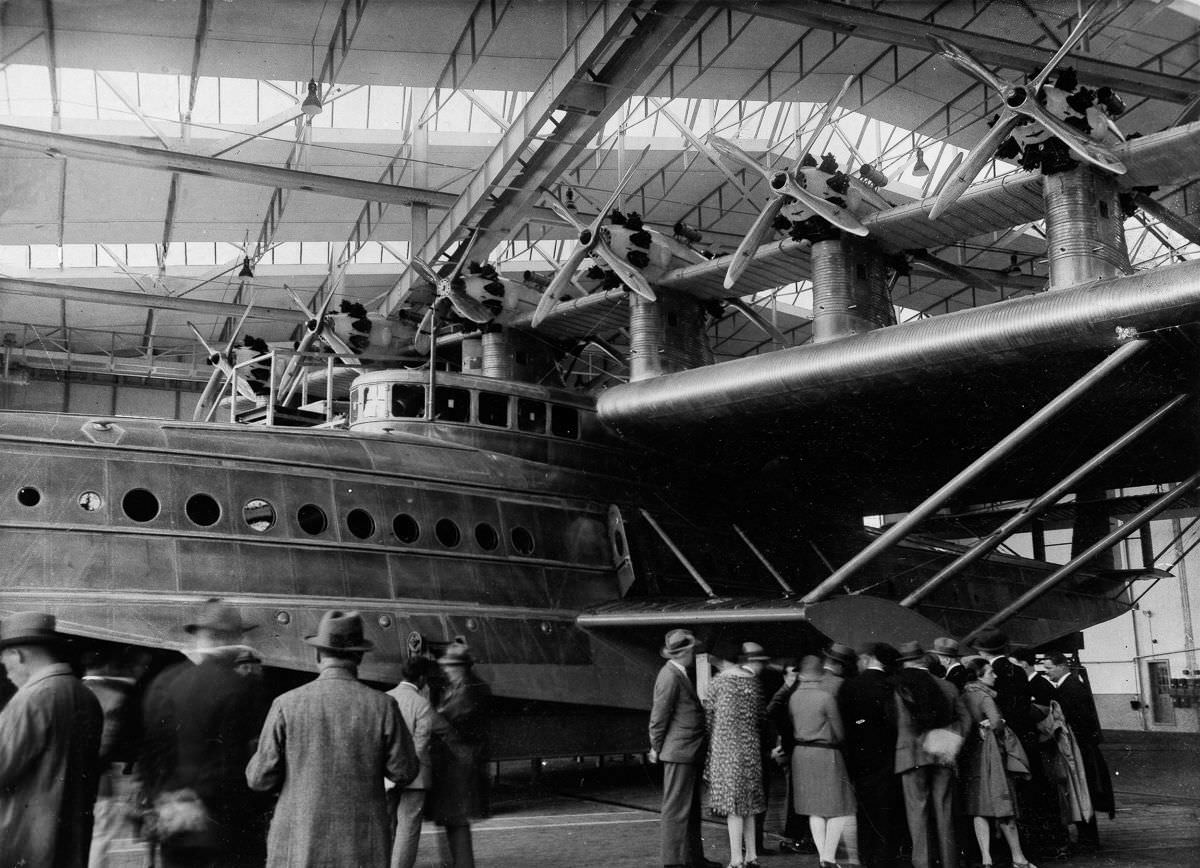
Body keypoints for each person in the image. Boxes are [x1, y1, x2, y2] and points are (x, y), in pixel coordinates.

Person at [246, 610, 418, 866]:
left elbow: (259, 779)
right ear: (359, 656)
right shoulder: (384, 706)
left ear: (318, 655)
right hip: (360, 848)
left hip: (299, 846)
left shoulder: (286, 704)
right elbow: (404, 771)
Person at [139, 598, 266, 868]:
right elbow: (238, 764)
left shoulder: (165, 682)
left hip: (174, 824)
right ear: (225, 637)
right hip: (225, 830)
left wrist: (165, 801)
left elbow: (152, 755)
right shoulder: (242, 688)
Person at [0, 612, 103, 868]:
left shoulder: (31, 699)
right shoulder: (85, 695)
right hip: (71, 842)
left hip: (23, 841)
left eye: (5, 665)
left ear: (18, 655)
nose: (8, 674)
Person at [973, 629, 1063, 860]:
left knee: (1006, 795)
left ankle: (1010, 850)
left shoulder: (986, 673)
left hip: (1004, 742)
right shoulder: (1018, 671)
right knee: (1032, 792)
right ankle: (1040, 844)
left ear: (982, 651)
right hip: (1026, 740)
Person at [649, 628, 720, 868]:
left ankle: (692, 859)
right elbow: (659, 716)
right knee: (677, 809)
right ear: (683, 652)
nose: (693, 653)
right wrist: (655, 746)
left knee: (688, 809)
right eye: (691, 650)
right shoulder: (669, 676)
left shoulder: (677, 673)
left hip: (686, 750)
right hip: (680, 751)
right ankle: (674, 862)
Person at [893, 640, 967, 868]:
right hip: (942, 753)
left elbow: (894, 721)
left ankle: (923, 863)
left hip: (911, 756)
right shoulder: (947, 686)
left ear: (905, 663)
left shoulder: (898, 686)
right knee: (945, 811)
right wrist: (950, 743)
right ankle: (949, 863)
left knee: (918, 813)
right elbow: (965, 718)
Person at [959, 657, 1037, 868]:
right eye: (990, 672)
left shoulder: (965, 695)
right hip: (991, 756)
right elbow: (996, 722)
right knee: (1004, 804)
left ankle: (986, 858)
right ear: (979, 676)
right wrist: (999, 722)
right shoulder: (985, 697)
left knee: (978, 807)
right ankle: (1019, 859)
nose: (995, 675)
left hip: (973, 756)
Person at [704, 641, 768, 868]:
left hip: (726, 751)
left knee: (733, 808)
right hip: (751, 750)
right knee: (749, 807)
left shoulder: (718, 683)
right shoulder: (754, 683)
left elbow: (709, 718)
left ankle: (736, 859)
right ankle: (751, 855)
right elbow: (762, 716)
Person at [429, 642, 493, 868]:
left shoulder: (467, 690)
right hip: (456, 764)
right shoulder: (460, 687)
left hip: (459, 766)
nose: (445, 669)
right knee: (453, 820)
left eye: (449, 666)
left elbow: (445, 719)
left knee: (456, 820)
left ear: (460, 667)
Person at [789, 654, 855, 868]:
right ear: (820, 674)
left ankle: (821, 856)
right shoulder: (825, 697)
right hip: (826, 753)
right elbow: (840, 733)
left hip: (801, 754)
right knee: (839, 807)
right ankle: (828, 857)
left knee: (813, 807)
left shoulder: (794, 697)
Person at [838, 642, 900, 868]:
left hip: (860, 755)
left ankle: (867, 855)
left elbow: (846, 722)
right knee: (889, 809)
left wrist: (860, 726)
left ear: (868, 658)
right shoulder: (892, 685)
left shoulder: (850, 686)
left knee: (865, 809)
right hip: (889, 754)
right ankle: (886, 856)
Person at [1045, 652, 1114, 849]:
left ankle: (1089, 839)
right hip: (1082, 746)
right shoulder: (1071, 685)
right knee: (1084, 790)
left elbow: (1082, 719)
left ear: (1062, 666)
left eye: (1049, 668)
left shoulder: (1071, 687)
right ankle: (1087, 837)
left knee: (1084, 789)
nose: (1047, 672)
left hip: (1080, 748)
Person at [83, 647, 141, 868]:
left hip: (74, 777)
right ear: (107, 667)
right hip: (99, 779)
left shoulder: (74, 690)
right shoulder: (115, 697)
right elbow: (105, 740)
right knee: (100, 837)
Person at [388, 655, 445, 868]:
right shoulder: (422, 704)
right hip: (415, 776)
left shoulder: (385, 697)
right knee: (408, 827)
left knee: (387, 824)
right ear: (422, 679)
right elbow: (421, 744)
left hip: (387, 775)